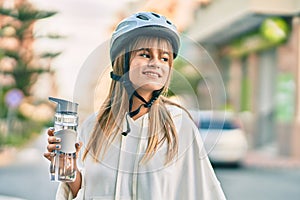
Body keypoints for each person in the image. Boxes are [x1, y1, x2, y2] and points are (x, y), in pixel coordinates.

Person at [44, 11, 226, 200]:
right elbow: (86, 192)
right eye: (145, 54)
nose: (156, 63)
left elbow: (205, 193)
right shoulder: (92, 127)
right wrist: (71, 171)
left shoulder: (179, 126)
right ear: (123, 63)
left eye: (164, 58)